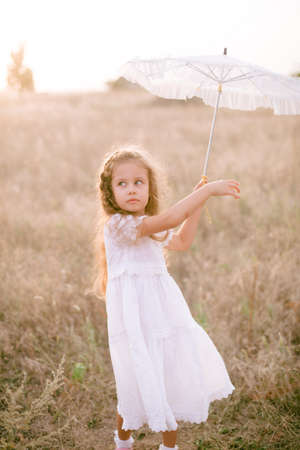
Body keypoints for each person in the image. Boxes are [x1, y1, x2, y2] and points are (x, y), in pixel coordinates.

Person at [92, 145, 240, 450]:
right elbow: (171, 219)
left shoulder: (149, 226)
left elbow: (183, 240)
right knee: (134, 381)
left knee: (167, 375)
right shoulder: (119, 225)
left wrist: (197, 203)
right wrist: (208, 191)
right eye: (122, 183)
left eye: (138, 182)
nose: (131, 190)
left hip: (162, 315)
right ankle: (123, 440)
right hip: (133, 322)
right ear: (109, 192)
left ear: (149, 187)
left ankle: (169, 447)